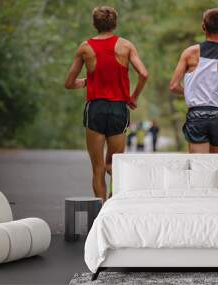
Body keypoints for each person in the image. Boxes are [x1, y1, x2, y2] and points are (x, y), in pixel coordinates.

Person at [64, 6, 148, 202]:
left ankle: (100, 213)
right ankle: (114, 202)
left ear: (94, 24)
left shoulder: (85, 47)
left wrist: (86, 81)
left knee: (98, 168)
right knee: (115, 165)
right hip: (119, 109)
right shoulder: (126, 46)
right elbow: (143, 74)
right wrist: (133, 97)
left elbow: (69, 83)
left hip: (95, 109)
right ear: (115, 23)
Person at [169, 8, 218, 153]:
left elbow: (173, 86)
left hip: (197, 115)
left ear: (203, 26)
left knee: (199, 167)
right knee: (216, 166)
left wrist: (191, 91)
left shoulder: (189, 52)